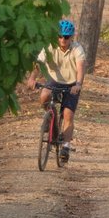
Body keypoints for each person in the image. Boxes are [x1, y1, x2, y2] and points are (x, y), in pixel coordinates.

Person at [27, 19, 86, 162]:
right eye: (60, 36)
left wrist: (78, 84)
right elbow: (38, 64)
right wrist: (32, 78)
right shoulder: (50, 47)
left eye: (66, 37)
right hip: (54, 80)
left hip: (71, 84)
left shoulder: (77, 49)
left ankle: (65, 146)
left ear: (71, 37)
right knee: (44, 96)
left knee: (67, 115)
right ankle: (49, 117)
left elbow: (80, 68)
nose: (63, 40)